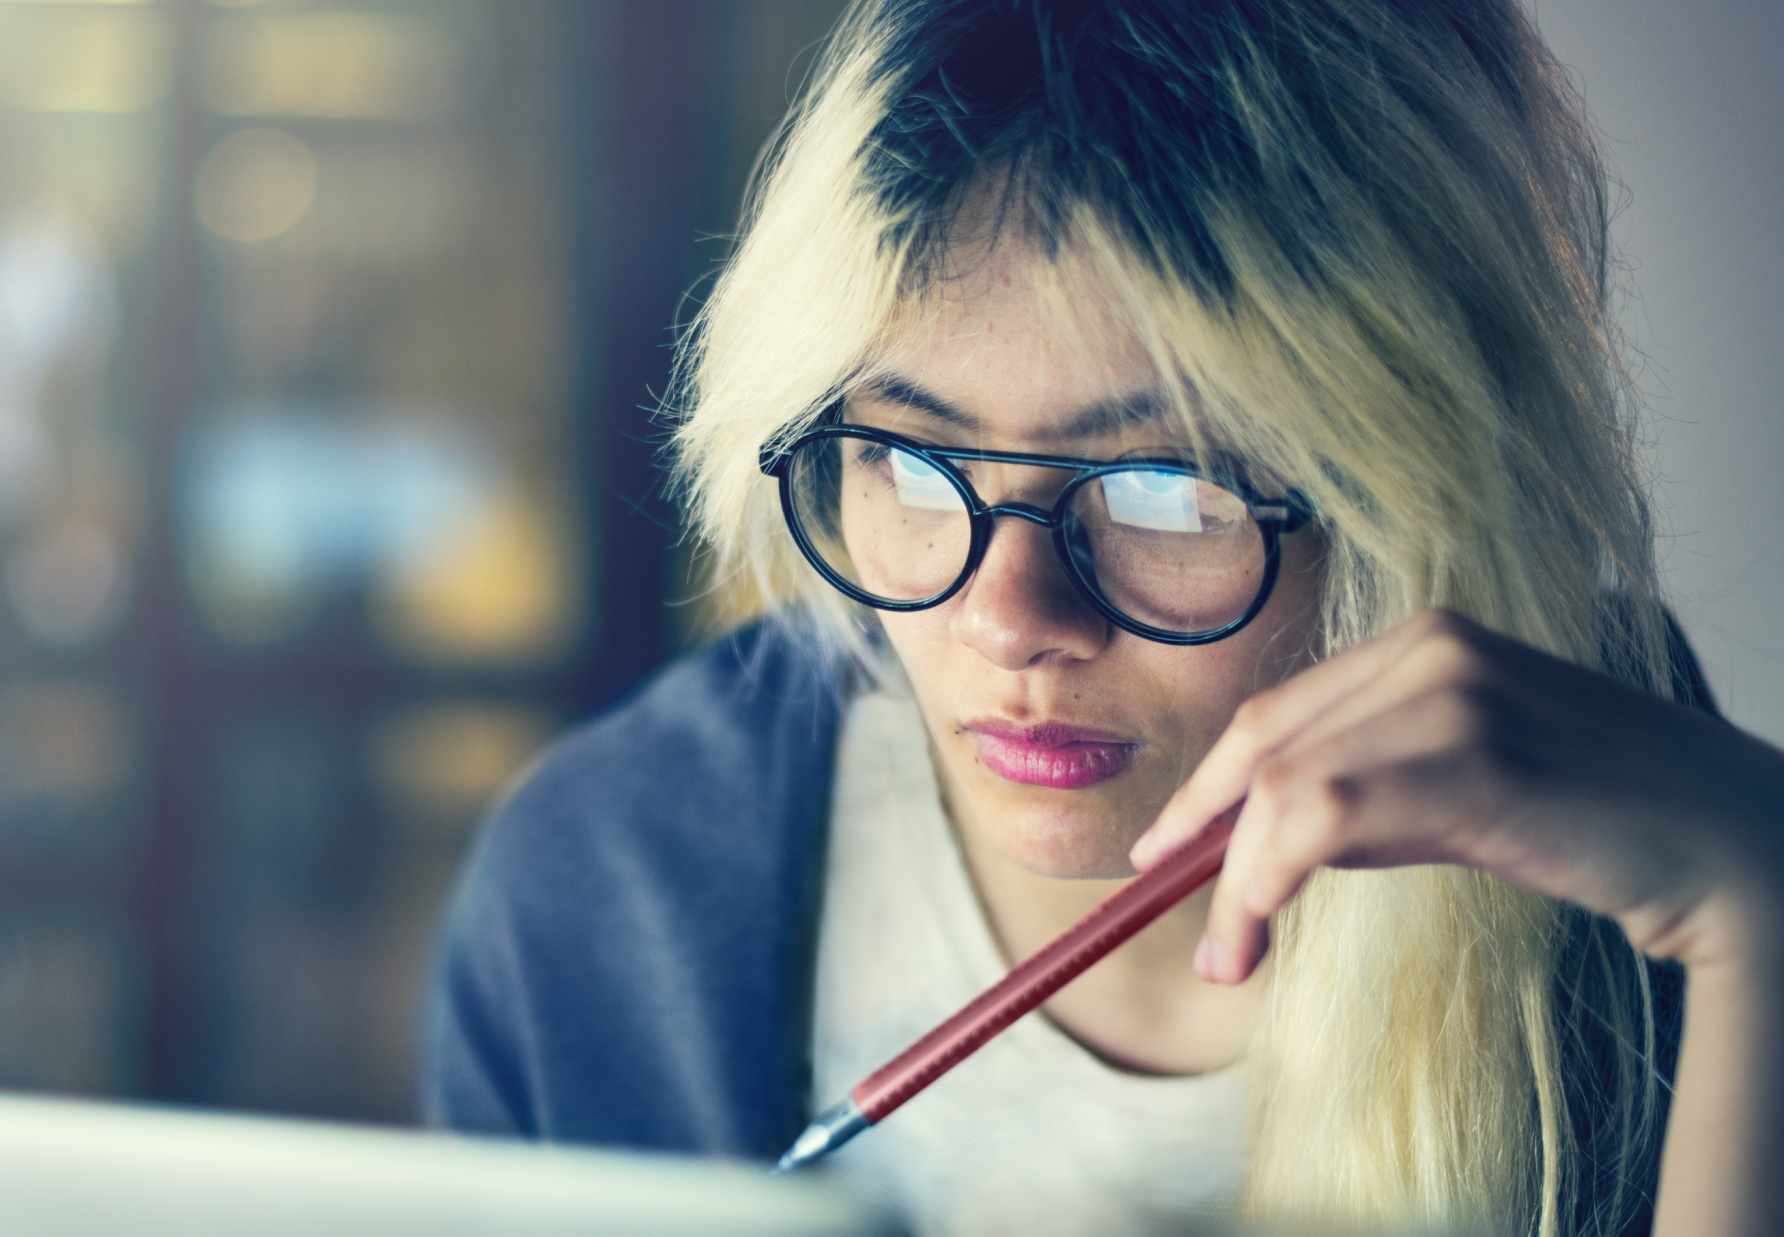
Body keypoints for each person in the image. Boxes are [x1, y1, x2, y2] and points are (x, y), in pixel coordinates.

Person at [422, 2, 1784, 1234]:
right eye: (908, 460)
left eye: (1166, 491)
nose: (1009, 618)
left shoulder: (1624, 828)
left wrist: (1763, 904)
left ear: (1413, 488)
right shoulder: (604, 885)